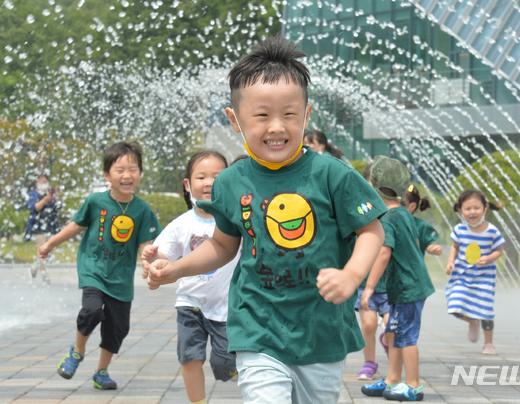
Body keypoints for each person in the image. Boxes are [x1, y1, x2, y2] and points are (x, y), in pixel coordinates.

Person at [146, 34, 387, 404]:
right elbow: (223, 244)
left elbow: (371, 229)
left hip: (320, 331)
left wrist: (351, 274)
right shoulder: (230, 181)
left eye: (289, 114)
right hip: (257, 324)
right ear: (235, 119)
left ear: (306, 115)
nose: (276, 126)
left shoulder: (332, 174)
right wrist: (177, 269)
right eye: (261, 116)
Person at [37, 141, 162, 390]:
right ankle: (77, 351)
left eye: (133, 169)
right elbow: (76, 226)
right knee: (92, 310)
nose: (127, 175)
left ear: (140, 173)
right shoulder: (95, 201)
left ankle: (101, 372)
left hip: (122, 277)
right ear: (107, 174)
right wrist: (51, 243)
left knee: (118, 328)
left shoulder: (142, 209)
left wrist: (147, 264)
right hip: (94, 269)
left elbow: (145, 244)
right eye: (119, 170)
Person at [141, 150, 239, 404]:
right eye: (201, 177)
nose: (208, 183)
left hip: (226, 307)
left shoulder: (235, 222)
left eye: (217, 177)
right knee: (189, 355)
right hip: (190, 303)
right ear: (187, 184)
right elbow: (163, 254)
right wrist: (153, 259)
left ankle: (231, 368)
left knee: (223, 365)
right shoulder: (181, 224)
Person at [360, 156, 435, 401]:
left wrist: (369, 287)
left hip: (407, 289)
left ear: (374, 187)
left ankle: (413, 385)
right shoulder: (402, 213)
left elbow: (383, 253)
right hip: (403, 287)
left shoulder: (390, 219)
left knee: (407, 337)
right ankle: (392, 378)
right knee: (394, 333)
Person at [445, 189, 505, 355]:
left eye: (476, 208)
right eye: (468, 209)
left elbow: (499, 250)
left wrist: (489, 258)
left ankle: (489, 343)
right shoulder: (459, 230)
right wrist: (450, 262)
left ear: (485, 209)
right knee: (454, 307)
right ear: (460, 211)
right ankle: (472, 321)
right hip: (462, 277)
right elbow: (455, 247)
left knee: (485, 310)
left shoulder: (492, 231)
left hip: (484, 278)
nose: (472, 212)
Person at [354, 162, 390, 381]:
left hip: (390, 285)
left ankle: (393, 355)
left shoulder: (394, 214)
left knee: (391, 327)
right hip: (365, 282)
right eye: (372, 180)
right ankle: (369, 362)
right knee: (368, 325)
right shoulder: (361, 209)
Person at [24, 173, 62, 285]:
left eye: (45, 181)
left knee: (50, 253)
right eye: (40, 181)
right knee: (42, 253)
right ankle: (45, 277)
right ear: (36, 183)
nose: (43, 184)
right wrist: (45, 200)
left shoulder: (51, 195)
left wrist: (57, 197)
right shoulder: (33, 195)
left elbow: (59, 207)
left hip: (51, 229)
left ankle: (33, 269)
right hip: (38, 230)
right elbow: (34, 207)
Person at [403, 184, 443, 257]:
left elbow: (428, 243)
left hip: (413, 267)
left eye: (401, 204)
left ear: (412, 207)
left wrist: (433, 249)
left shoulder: (420, 226)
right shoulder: (388, 222)